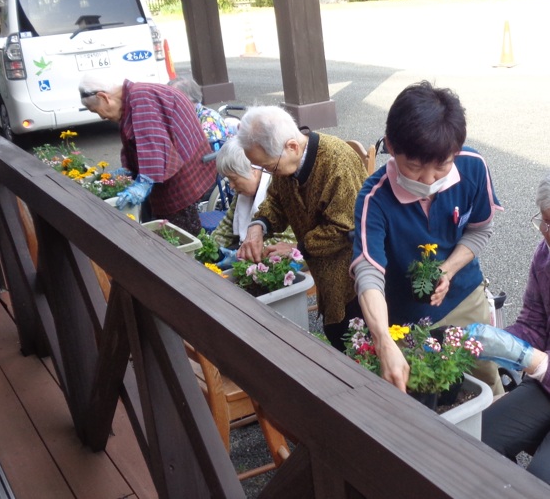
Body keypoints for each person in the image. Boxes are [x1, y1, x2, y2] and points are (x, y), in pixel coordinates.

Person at [350, 80, 504, 395]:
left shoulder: (473, 167)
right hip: (407, 318)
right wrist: (383, 341)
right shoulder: (374, 199)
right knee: (424, 395)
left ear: (456, 150)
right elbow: (368, 272)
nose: (429, 179)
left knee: (487, 384)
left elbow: (479, 228)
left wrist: (448, 269)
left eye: (442, 167)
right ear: (391, 146)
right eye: (415, 167)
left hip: (465, 298)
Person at [235, 105, 368, 350]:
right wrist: (258, 226)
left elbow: (343, 229)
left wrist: (296, 248)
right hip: (324, 273)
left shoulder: (337, 162)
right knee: (336, 332)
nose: (268, 173)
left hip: (353, 274)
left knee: (353, 340)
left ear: (292, 147)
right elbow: (276, 199)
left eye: (269, 167)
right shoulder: (285, 163)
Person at [78, 71, 215, 235]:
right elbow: (135, 142)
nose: (101, 117)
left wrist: (144, 182)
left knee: (179, 233)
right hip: (174, 166)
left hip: (183, 172)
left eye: (96, 110)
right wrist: (128, 170)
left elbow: (153, 144)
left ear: (104, 97)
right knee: (164, 228)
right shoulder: (132, 98)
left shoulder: (141, 99)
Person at [480, 173, 550, 485]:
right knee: (478, 439)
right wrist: (497, 341)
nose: (547, 233)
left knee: (540, 479)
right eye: (545, 221)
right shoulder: (545, 256)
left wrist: (537, 362)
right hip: (546, 384)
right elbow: (534, 322)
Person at [210, 138, 296, 252]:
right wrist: (208, 248)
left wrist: (244, 253)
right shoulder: (241, 194)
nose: (231, 186)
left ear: (253, 171)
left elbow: (285, 242)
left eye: (233, 179)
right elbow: (226, 227)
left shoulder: (279, 188)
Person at [168, 76, 233, 147]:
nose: (169, 103)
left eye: (173, 99)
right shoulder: (185, 116)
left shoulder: (208, 120)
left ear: (188, 99)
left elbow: (209, 150)